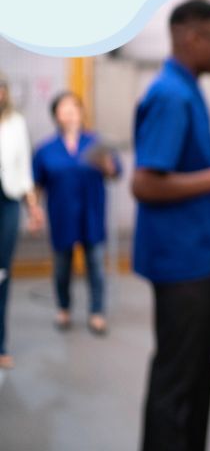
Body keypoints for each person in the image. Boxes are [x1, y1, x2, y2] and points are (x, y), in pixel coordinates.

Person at [131, 0, 210, 451]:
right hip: (181, 262)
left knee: (196, 372)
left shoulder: (185, 86)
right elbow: (145, 183)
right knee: (180, 377)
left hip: (196, 256)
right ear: (191, 36)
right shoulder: (170, 95)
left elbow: (179, 169)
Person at [32, 91, 120, 335]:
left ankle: (97, 312)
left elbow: (115, 173)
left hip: (92, 214)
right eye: (63, 108)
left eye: (73, 107)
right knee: (62, 267)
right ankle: (63, 308)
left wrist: (107, 165)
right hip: (62, 216)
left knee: (95, 266)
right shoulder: (46, 149)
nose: (69, 112)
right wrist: (34, 209)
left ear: (81, 112)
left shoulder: (96, 143)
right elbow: (36, 184)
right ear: (56, 115)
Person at [0, 74, 45, 370]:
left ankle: (0, 343)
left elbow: (24, 168)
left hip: (8, 201)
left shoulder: (16, 122)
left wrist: (33, 206)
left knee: (2, 274)